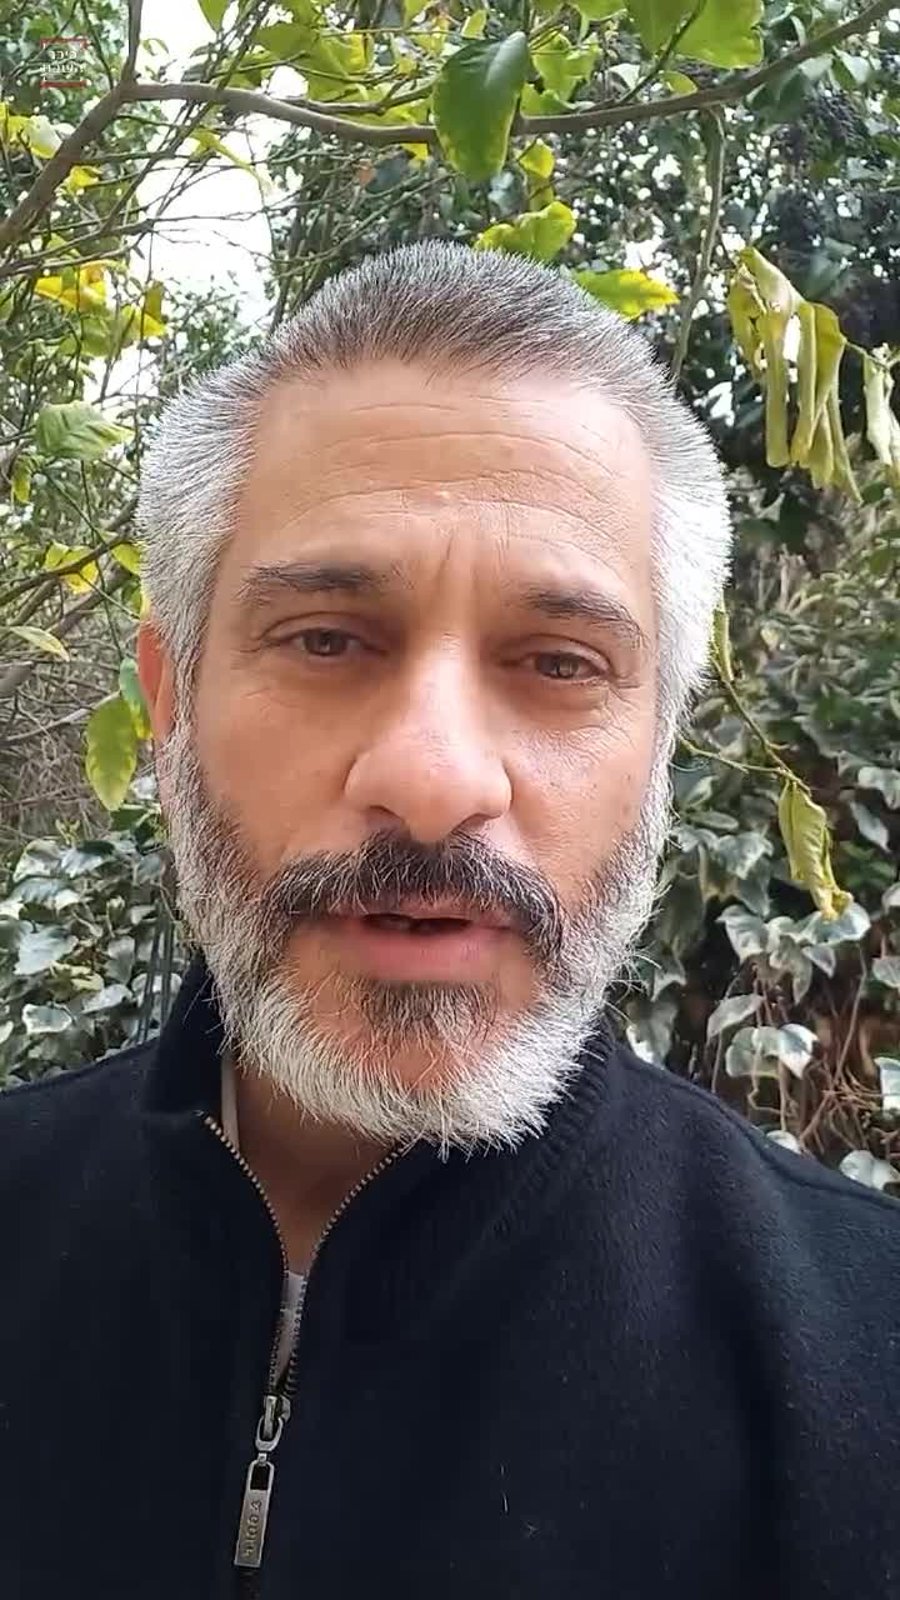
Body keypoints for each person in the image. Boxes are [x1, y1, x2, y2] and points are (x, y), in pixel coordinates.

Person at [0, 240, 897, 1599]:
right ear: (171, 703)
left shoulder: (866, 1378)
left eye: (560, 663)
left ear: (663, 743)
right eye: (325, 639)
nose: (432, 782)